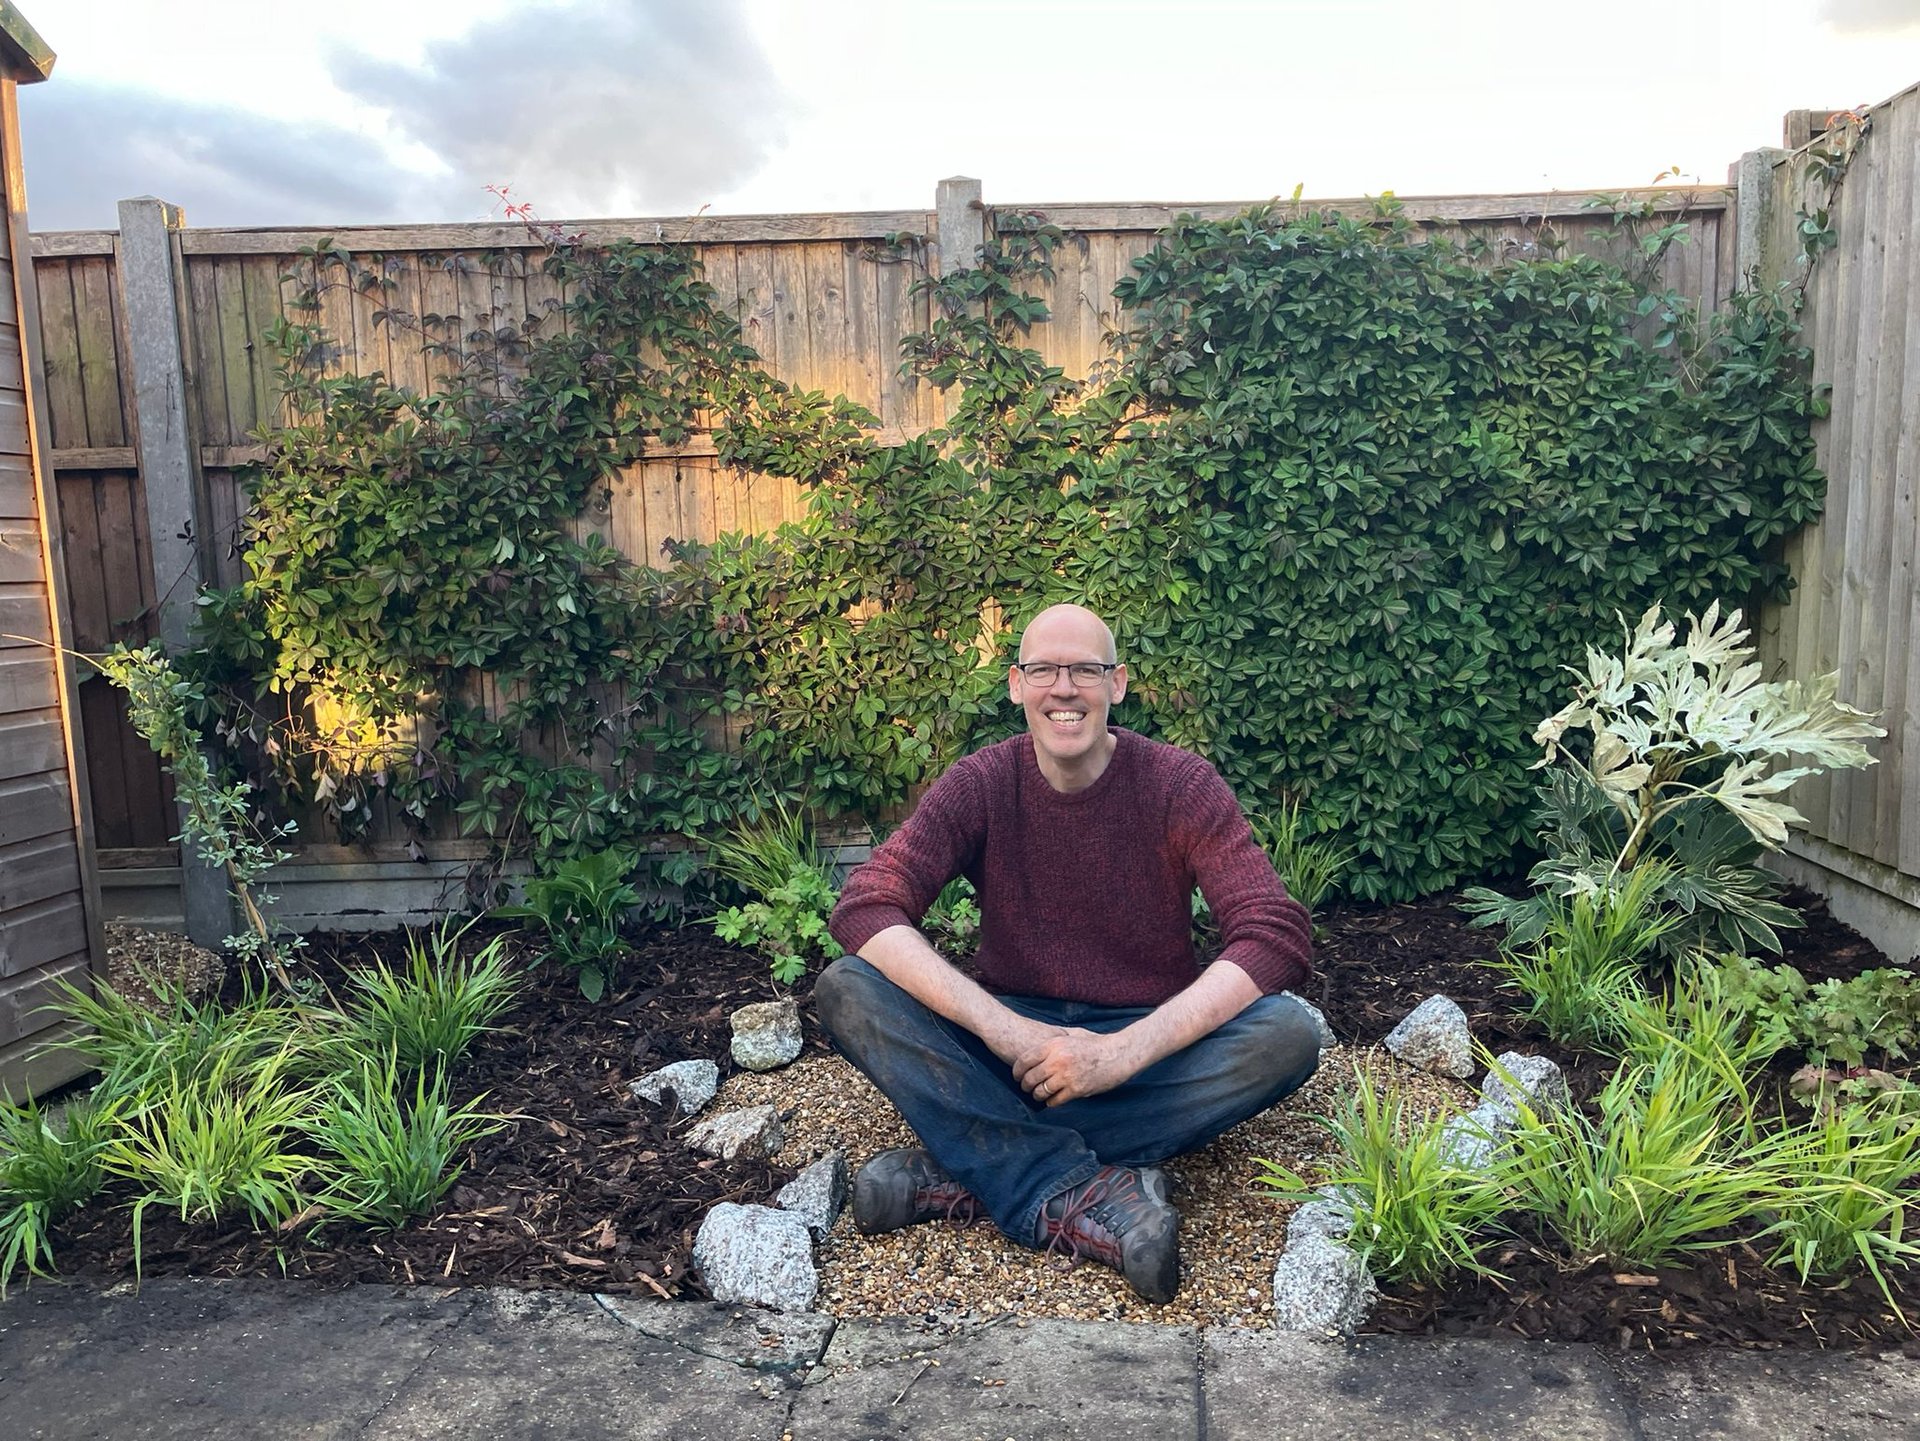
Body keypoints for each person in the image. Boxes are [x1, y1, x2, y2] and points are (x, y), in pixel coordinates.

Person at [814, 603, 1322, 1303]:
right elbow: (866, 904)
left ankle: (974, 1162)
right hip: (1011, 1045)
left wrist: (1120, 1054)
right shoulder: (982, 783)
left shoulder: (1180, 785)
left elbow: (1272, 931)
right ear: (1017, 684)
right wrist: (1006, 1030)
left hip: (1143, 1044)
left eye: (1085, 668)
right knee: (849, 985)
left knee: (1288, 1032)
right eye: (1044, 669)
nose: (1064, 688)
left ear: (1117, 684)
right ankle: (1088, 1187)